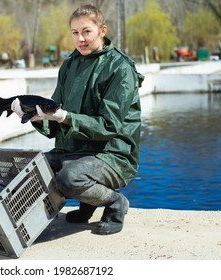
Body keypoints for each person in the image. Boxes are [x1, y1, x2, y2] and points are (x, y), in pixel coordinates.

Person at [12, 4, 144, 235]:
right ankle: (88, 204)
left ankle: (115, 203)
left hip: (112, 153)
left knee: (69, 177)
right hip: (72, 150)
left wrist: (66, 117)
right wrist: (33, 116)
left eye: (86, 32)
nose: (80, 39)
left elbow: (108, 127)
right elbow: (54, 119)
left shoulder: (121, 68)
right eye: (75, 33)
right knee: (31, 170)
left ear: (102, 30)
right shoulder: (70, 64)